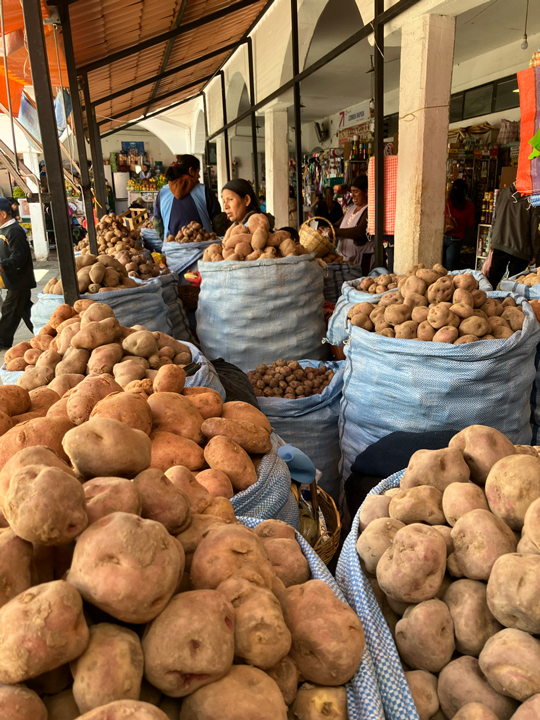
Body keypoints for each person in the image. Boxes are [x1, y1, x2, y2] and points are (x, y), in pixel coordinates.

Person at [153, 155, 225, 237]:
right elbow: (218, 220)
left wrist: (167, 241)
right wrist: (219, 238)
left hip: (172, 247)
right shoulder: (204, 191)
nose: (199, 176)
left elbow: (157, 222)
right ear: (191, 171)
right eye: (198, 171)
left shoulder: (162, 193)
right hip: (204, 247)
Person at [488, 183, 540, 289]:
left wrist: (492, 239)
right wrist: (535, 253)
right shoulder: (534, 198)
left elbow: (495, 216)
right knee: (514, 285)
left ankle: (486, 301)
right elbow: (535, 228)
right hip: (520, 247)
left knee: (492, 280)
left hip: (500, 241)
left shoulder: (505, 191)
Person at [0, 197, 36, 349]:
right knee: (25, 310)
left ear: (3, 214)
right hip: (12, 279)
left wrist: (3, 265)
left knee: (9, 310)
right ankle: (43, 332)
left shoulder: (14, 231)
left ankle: (2, 340)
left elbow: (20, 256)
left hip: (19, 280)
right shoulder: (4, 230)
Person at [334, 175, 373, 274]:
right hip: (345, 260)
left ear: (366, 192)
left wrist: (335, 232)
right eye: (351, 192)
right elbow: (338, 224)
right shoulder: (351, 209)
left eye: (356, 192)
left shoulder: (369, 209)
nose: (352, 195)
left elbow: (360, 231)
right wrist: (326, 227)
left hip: (361, 262)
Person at [443, 179, 475, 271]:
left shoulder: (447, 202)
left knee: (439, 266)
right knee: (450, 268)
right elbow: (470, 224)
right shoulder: (469, 205)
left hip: (443, 235)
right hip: (456, 239)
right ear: (464, 191)